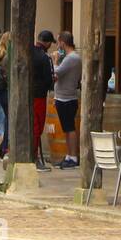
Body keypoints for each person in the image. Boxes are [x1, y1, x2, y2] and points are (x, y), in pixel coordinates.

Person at [52, 31, 82, 169]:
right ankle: (69, 155)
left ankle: (73, 156)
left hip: (66, 98)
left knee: (70, 128)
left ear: (63, 43)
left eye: (59, 43)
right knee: (67, 127)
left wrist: (55, 61)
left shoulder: (72, 58)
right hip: (63, 96)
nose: (58, 46)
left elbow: (56, 72)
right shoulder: (72, 58)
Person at [32, 30, 56, 172]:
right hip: (39, 96)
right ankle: (34, 158)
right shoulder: (44, 57)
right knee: (37, 127)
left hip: (27, 94)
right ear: (47, 43)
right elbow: (48, 80)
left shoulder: (28, 51)